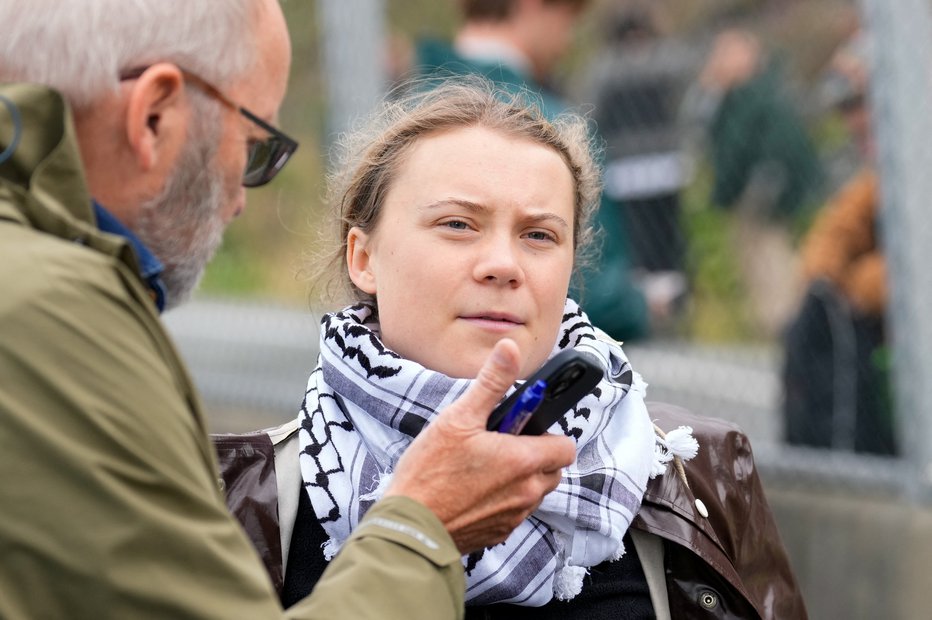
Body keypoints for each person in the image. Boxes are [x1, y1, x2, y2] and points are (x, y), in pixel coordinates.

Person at [0, 1, 577, 618]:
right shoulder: (52, 313)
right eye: (252, 145)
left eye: (540, 235)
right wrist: (423, 524)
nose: (241, 203)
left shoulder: (672, 479)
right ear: (153, 116)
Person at [226, 79, 806, 618]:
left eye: (538, 235)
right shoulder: (248, 502)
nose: (504, 264)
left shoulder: (699, 474)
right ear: (363, 258)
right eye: (457, 224)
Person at [412, 0, 655, 341]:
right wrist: (642, 305)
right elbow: (598, 291)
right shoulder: (556, 130)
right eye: (567, 20)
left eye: (536, 236)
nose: (567, 41)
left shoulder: (401, 117)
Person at [782, 32, 895, 455]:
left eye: (860, 101)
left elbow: (913, 275)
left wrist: (852, 282)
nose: (853, 120)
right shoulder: (879, 178)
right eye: (845, 108)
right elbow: (835, 233)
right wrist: (830, 277)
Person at [682, 28, 824, 337]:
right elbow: (697, 125)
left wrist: (769, 184)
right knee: (753, 260)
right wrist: (710, 88)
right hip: (741, 191)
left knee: (771, 257)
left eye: (730, 52)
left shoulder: (763, 92)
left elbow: (779, 141)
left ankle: (788, 325)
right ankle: (777, 326)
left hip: (763, 192)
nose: (720, 60)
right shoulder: (729, 95)